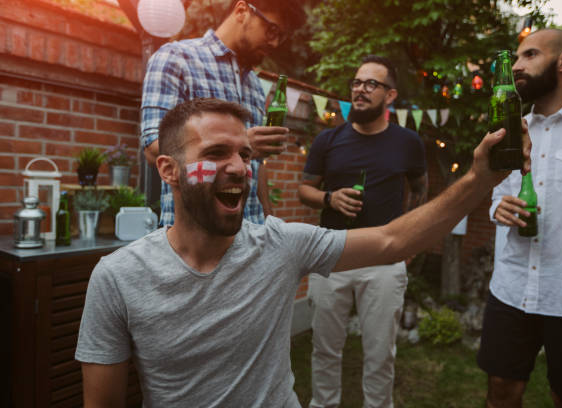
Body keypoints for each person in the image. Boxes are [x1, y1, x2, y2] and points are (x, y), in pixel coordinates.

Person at [76, 97, 528, 407]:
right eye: (217, 153)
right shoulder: (117, 277)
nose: (239, 168)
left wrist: (480, 179)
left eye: (245, 154)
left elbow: (394, 240)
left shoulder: (280, 244)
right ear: (169, 171)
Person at [478, 28, 562, 408]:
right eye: (516, 58)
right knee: (502, 390)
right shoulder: (510, 126)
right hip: (511, 286)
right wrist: (496, 207)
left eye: (529, 56)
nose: (517, 66)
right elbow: (499, 191)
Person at [297, 55, 427, 408]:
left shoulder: (407, 142)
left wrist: (409, 233)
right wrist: (329, 198)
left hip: (384, 260)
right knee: (324, 348)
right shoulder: (328, 140)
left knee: (380, 354)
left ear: (390, 95)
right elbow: (304, 189)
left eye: (372, 84)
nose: (360, 89)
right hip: (331, 256)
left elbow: (420, 186)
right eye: (356, 83)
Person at [140, 0, 306, 226]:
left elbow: (256, 165)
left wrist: (269, 220)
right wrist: (240, 145)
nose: (275, 42)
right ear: (242, 11)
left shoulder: (255, 86)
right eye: (272, 30)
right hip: (196, 239)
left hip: (253, 235)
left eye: (282, 37)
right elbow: (153, 147)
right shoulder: (176, 58)